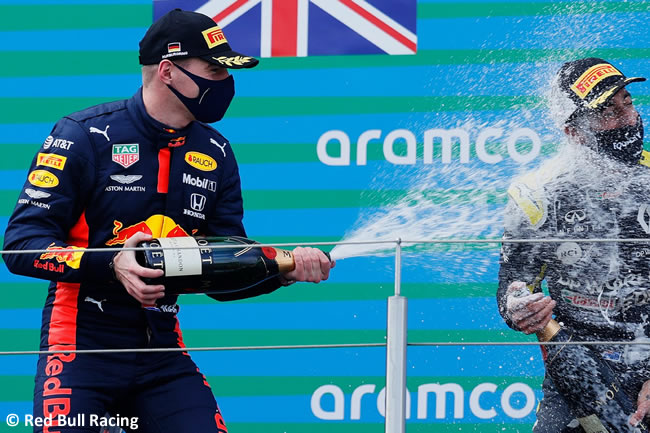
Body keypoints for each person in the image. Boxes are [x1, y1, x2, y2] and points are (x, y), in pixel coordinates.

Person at [3, 9, 333, 433]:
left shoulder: (217, 152)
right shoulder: (82, 134)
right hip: (79, 353)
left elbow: (223, 269)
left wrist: (283, 270)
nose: (226, 83)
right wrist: (112, 263)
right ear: (168, 72)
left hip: (162, 353)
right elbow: (20, 245)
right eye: (214, 70)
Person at [497, 57, 650, 431]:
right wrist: (519, 305)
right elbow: (511, 289)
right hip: (578, 367)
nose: (628, 119)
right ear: (575, 133)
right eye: (608, 112)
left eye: (626, 102)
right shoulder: (539, 195)